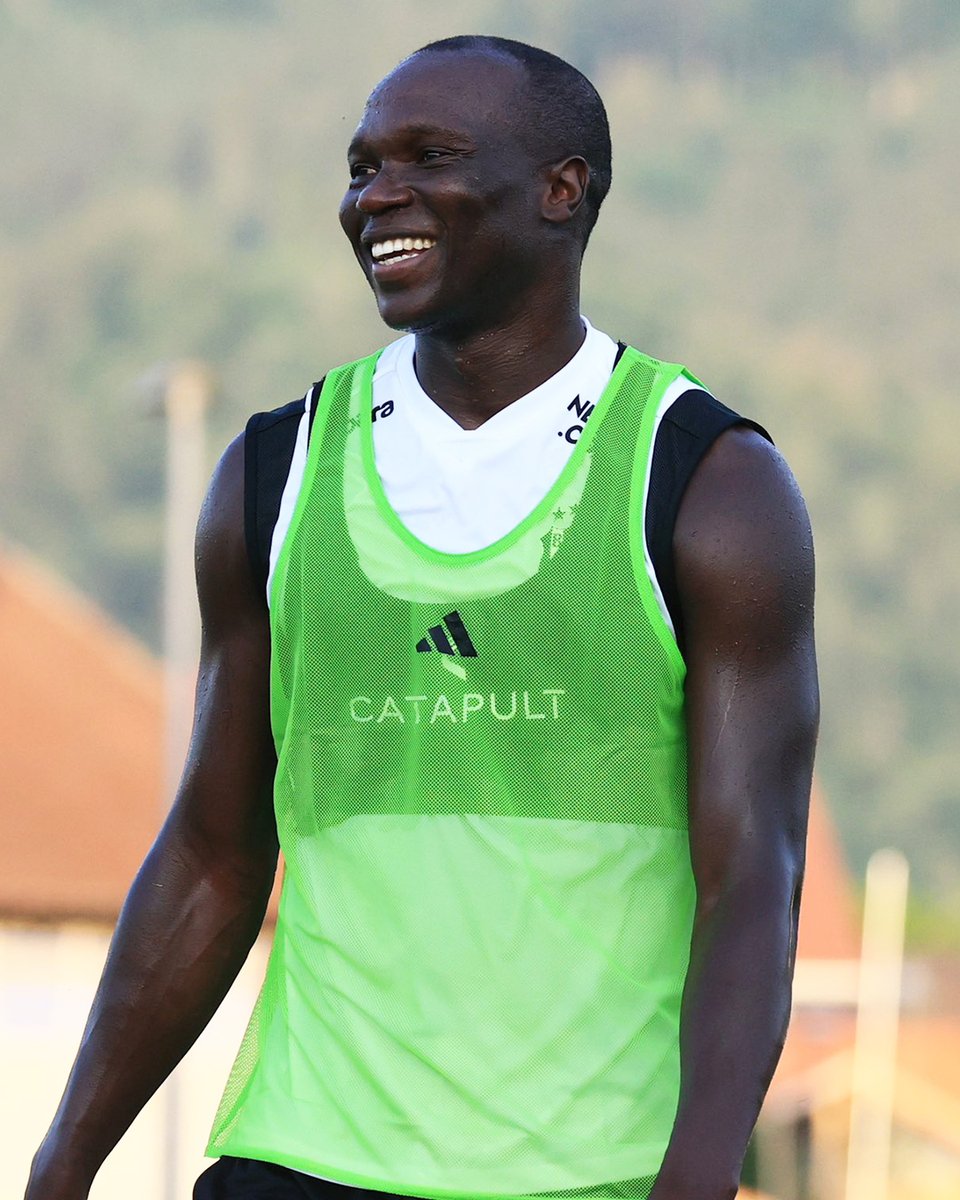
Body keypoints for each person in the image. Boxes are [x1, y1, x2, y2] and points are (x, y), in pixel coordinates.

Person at [25, 35, 819, 1200]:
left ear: (564, 188)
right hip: (302, 1159)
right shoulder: (272, 477)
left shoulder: (710, 486)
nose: (375, 196)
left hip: (588, 1175)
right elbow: (211, 851)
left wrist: (697, 1178)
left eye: (429, 157)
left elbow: (753, 874)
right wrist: (61, 1163)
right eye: (361, 166)